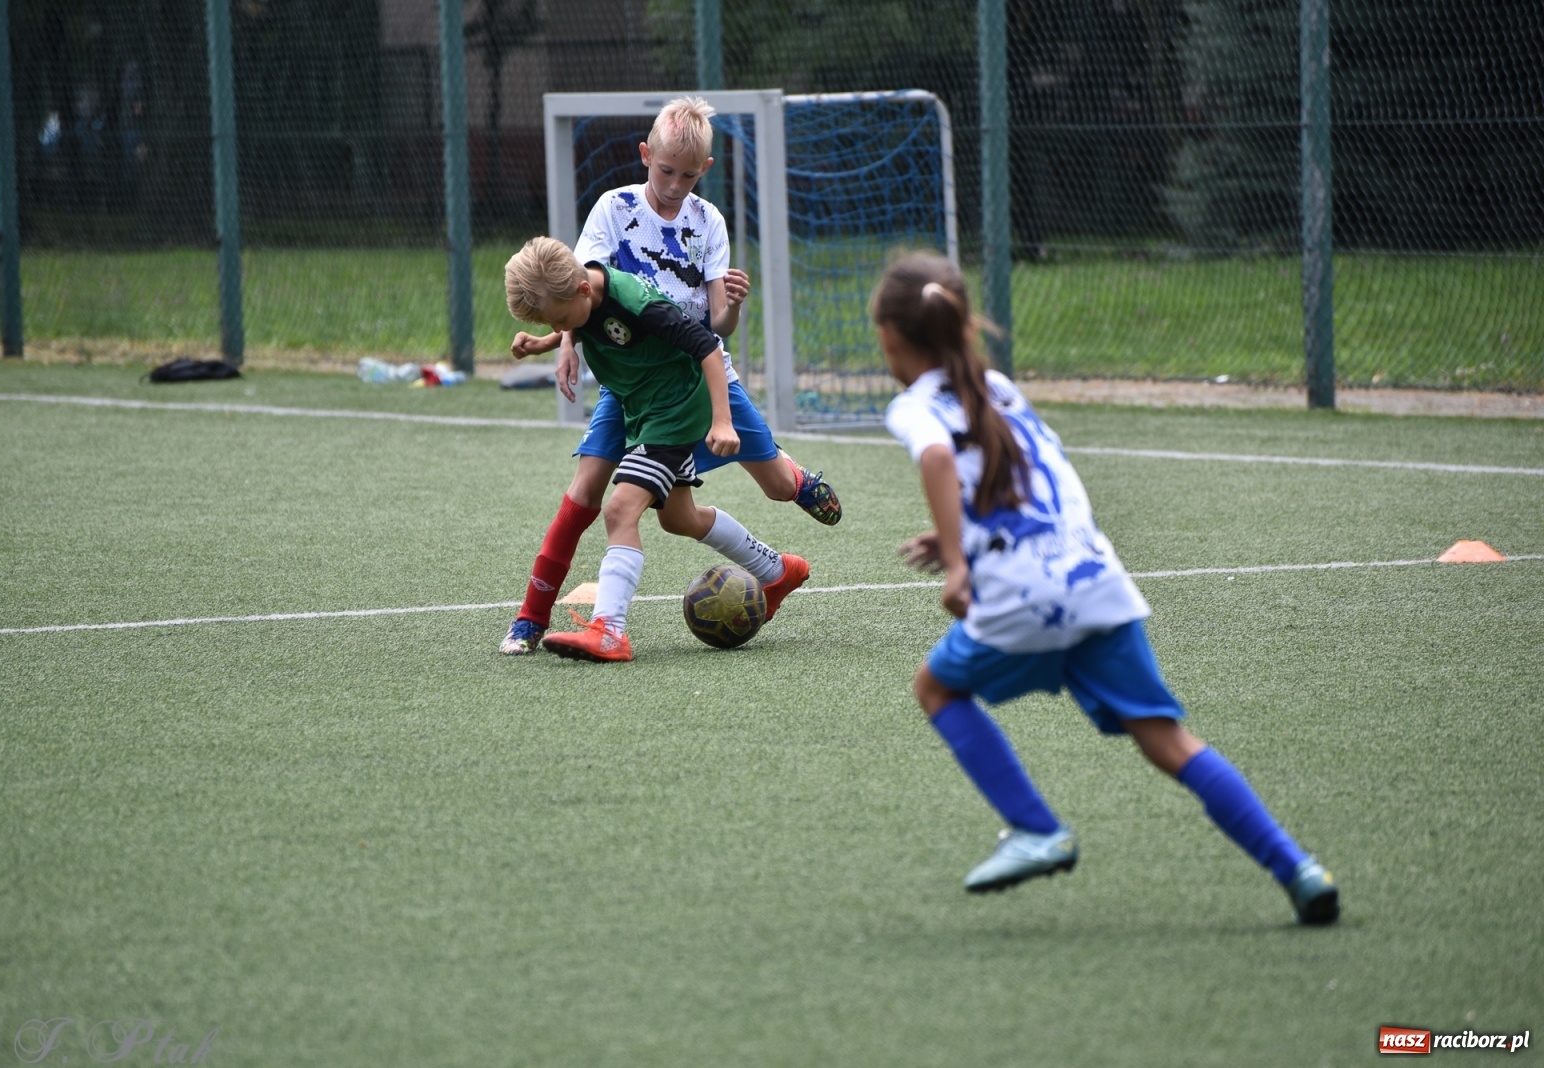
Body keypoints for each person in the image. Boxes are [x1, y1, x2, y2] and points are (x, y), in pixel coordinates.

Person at [873, 251, 1339, 925]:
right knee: (1169, 741)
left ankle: (1036, 829)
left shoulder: (915, 405)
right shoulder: (999, 387)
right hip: (1094, 581)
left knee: (936, 686)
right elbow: (1019, 476)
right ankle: (1298, 868)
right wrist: (955, 536)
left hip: (1026, 598)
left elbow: (942, 457)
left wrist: (957, 565)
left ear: (890, 339)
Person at [501, 96, 840, 656]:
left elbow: (712, 331)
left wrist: (729, 306)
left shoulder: (707, 223)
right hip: (631, 384)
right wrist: (558, 342)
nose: (675, 183)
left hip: (693, 379)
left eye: (687, 174)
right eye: (665, 170)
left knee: (774, 487)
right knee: (651, 510)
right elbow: (573, 292)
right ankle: (530, 620)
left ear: (704, 171)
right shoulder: (614, 210)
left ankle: (610, 628)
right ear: (644, 156)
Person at [504, 237, 810, 662]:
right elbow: (580, 321)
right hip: (640, 405)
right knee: (678, 518)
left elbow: (706, 347)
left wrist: (722, 420)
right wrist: (543, 344)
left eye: (556, 321)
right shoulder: (581, 296)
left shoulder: (635, 302)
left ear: (582, 290)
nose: (557, 329)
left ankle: (609, 631)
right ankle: (777, 571)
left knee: (619, 510)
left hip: (675, 409)